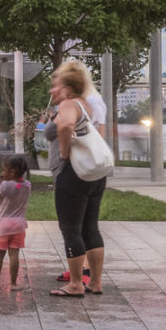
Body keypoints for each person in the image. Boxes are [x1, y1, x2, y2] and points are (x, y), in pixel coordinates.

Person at [47, 60, 107, 298]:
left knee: (71, 229)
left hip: (73, 174)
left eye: (57, 85)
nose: (53, 90)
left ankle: (75, 284)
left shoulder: (69, 104)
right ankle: (95, 282)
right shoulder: (87, 105)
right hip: (94, 175)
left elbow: (65, 127)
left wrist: (63, 154)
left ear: (69, 88)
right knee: (90, 227)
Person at [0, 154, 31, 289]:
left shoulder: (5, 185)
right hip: (18, 226)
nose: (2, 173)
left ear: (12, 172)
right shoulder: (27, 185)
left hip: (3, 225)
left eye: (4, 170)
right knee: (14, 255)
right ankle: (13, 283)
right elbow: (18, 187)